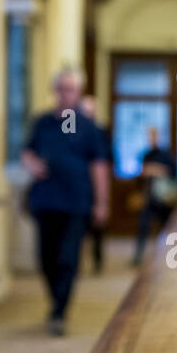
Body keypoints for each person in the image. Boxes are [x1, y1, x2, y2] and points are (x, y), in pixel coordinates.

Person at [20, 67, 110, 335]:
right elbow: (26, 151)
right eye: (62, 88)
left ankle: (59, 312)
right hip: (46, 200)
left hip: (77, 201)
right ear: (55, 90)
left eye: (71, 89)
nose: (66, 94)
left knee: (68, 257)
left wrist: (102, 202)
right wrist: (33, 164)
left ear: (78, 92)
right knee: (45, 258)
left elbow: (99, 165)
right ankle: (56, 300)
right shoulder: (42, 122)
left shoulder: (88, 127)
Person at [132, 127, 177, 266]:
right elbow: (142, 174)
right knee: (143, 226)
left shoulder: (166, 154)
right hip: (150, 198)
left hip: (164, 199)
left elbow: (173, 173)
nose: (151, 138)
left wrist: (156, 170)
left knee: (168, 229)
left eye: (154, 135)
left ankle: (170, 256)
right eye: (150, 135)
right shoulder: (146, 155)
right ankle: (138, 255)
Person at [79, 95, 110, 275]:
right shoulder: (72, 131)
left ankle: (97, 260)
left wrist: (103, 197)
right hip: (79, 188)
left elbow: (104, 161)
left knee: (98, 226)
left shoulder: (99, 132)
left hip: (95, 185)